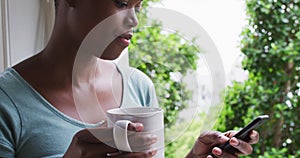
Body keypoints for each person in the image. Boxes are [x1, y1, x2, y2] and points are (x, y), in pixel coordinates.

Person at [0, 0, 259, 157]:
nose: (134, 19)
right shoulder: (7, 102)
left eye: (138, 6)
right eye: (122, 3)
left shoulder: (139, 86)